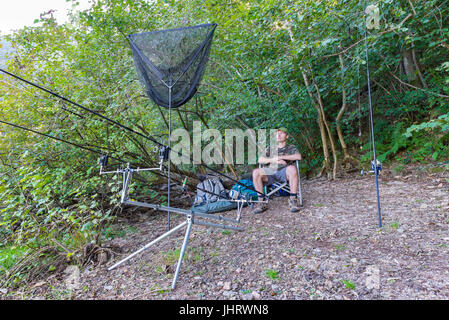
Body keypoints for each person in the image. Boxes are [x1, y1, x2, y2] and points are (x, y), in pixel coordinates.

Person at [252, 127, 302, 214]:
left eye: (281, 133)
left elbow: (298, 157)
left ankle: (293, 200)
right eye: (277, 133)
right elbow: (260, 160)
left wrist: (281, 157)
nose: (278, 135)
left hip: (284, 173)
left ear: (287, 136)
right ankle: (261, 202)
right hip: (270, 172)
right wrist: (274, 160)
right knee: (256, 172)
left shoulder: (291, 147)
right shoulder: (270, 148)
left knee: (292, 168)